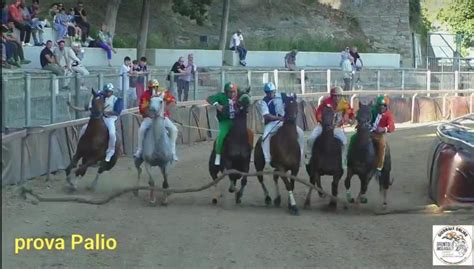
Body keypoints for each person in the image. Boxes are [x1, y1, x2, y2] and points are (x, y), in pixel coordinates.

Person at [259, 82, 305, 166]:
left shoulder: (282, 96)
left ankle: (300, 157)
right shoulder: (264, 101)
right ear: (265, 93)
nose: (270, 94)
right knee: (264, 137)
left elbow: (291, 99)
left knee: (301, 133)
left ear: (275, 90)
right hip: (272, 123)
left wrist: (293, 96)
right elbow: (266, 115)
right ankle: (267, 160)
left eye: (272, 92)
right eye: (268, 92)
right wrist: (279, 118)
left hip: (285, 122)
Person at [307, 86, 354, 165]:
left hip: (336, 128)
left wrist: (350, 119)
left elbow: (351, 115)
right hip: (323, 126)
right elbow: (318, 114)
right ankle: (309, 157)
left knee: (344, 141)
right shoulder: (325, 102)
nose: (337, 97)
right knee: (311, 138)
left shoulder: (345, 104)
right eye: (335, 95)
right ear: (331, 96)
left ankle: (342, 160)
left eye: (339, 95)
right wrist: (323, 123)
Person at [134, 79, 179, 162]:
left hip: (162, 117)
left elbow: (173, 101)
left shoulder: (163, 92)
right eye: (151, 87)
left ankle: (173, 152)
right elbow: (143, 108)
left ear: (158, 87)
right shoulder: (145, 95)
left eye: (155, 87)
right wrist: (150, 114)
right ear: (149, 88)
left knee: (174, 129)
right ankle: (139, 150)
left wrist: (165, 110)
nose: (153, 89)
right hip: (149, 118)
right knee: (141, 129)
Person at [78, 83, 123, 162]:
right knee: (84, 129)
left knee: (112, 133)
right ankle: (80, 147)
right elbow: (95, 97)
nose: (108, 93)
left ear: (112, 92)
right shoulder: (101, 97)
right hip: (100, 118)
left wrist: (107, 112)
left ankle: (110, 151)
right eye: (106, 91)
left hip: (110, 119)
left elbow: (117, 112)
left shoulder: (115, 99)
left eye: (109, 92)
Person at [206, 82, 239, 165]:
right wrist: (217, 105)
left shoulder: (238, 97)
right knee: (221, 135)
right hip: (225, 121)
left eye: (233, 92)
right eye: (230, 92)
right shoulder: (221, 96)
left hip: (236, 121)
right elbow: (209, 98)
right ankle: (218, 155)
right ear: (226, 92)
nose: (232, 94)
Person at [370, 95, 395, 177]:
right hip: (369, 131)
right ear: (377, 106)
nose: (381, 108)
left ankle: (379, 167)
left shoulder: (389, 114)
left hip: (379, 134)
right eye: (380, 106)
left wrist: (384, 129)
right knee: (355, 138)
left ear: (386, 106)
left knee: (382, 144)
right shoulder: (373, 110)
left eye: (383, 106)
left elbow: (392, 127)